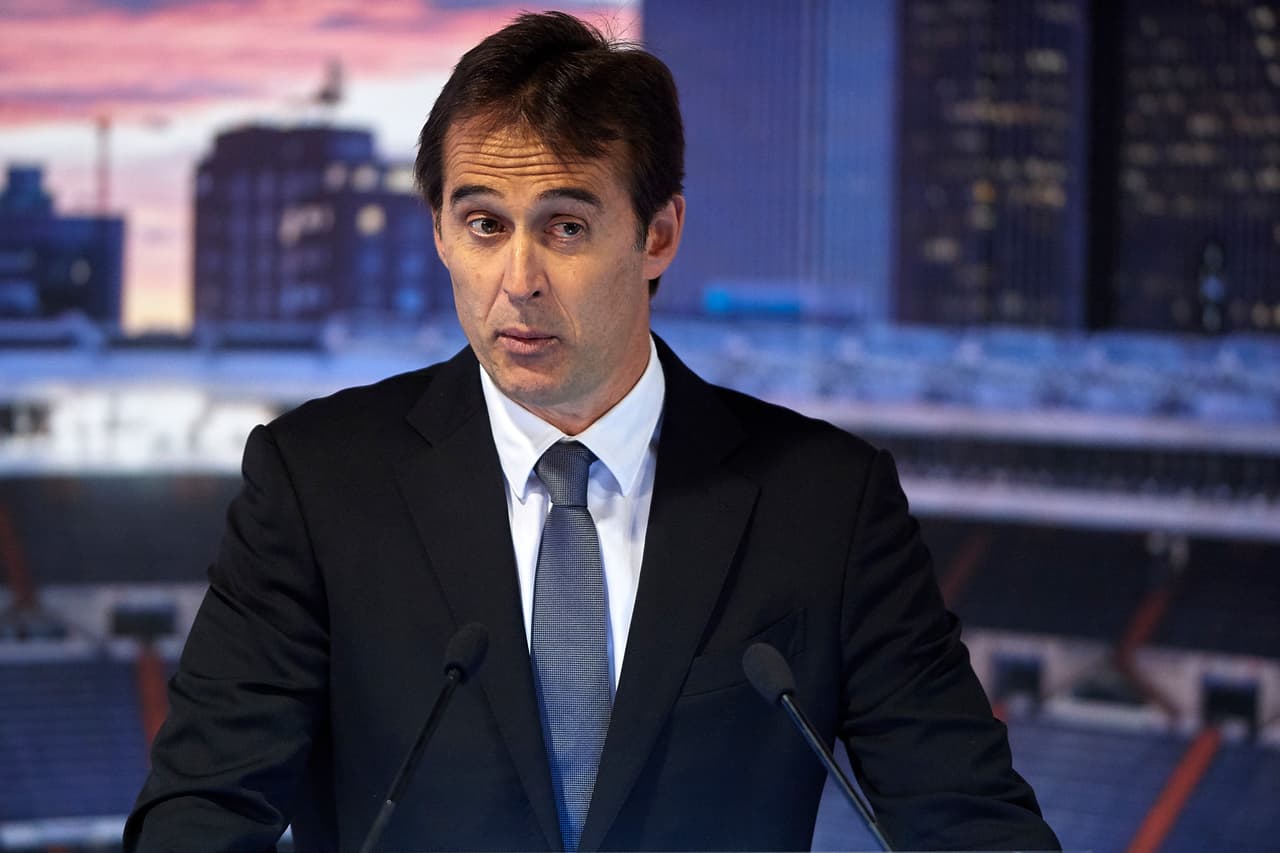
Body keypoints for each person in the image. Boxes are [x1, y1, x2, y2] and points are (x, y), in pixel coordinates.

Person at [125, 11, 1060, 853]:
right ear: (442, 234)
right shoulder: (317, 482)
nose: (518, 279)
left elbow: (972, 821)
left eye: (565, 228)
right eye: (484, 223)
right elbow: (198, 817)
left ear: (659, 236)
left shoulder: (826, 502)